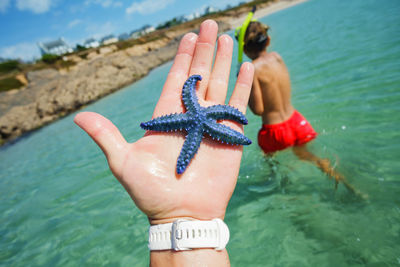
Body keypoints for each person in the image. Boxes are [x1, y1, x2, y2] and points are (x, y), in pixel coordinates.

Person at [74, 19, 254, 266]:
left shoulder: (195, 115)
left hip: (198, 125)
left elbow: (197, 104)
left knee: (224, 127)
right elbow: (189, 100)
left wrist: (172, 222)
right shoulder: (197, 117)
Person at [242, 21, 362, 195]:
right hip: (297, 121)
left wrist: (244, 82)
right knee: (312, 157)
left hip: (274, 132)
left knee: (272, 164)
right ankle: (348, 186)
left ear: (245, 49)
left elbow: (258, 110)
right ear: (267, 41)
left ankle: (283, 189)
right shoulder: (277, 57)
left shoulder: (252, 70)